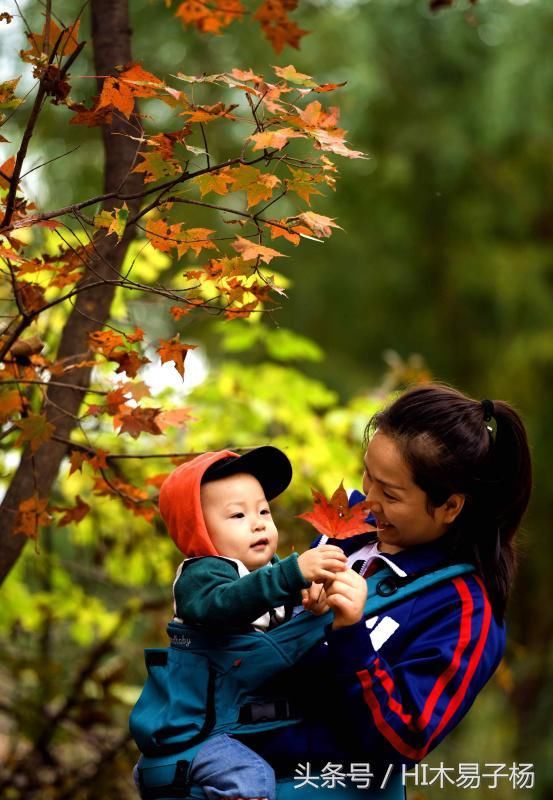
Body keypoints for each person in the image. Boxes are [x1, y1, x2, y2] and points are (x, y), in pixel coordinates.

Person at [237, 384, 532, 796]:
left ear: (450, 506)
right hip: (232, 765)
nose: (369, 501)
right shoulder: (344, 536)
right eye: (367, 475)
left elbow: (405, 739)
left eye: (391, 494)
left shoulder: (465, 611)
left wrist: (351, 635)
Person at [145, 445, 348, 800]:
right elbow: (224, 605)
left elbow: (278, 599)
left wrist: (313, 601)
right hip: (201, 734)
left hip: (244, 725)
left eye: (264, 511)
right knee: (250, 779)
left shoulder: (270, 572)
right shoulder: (201, 575)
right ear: (199, 531)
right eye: (238, 516)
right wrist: (292, 576)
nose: (258, 523)